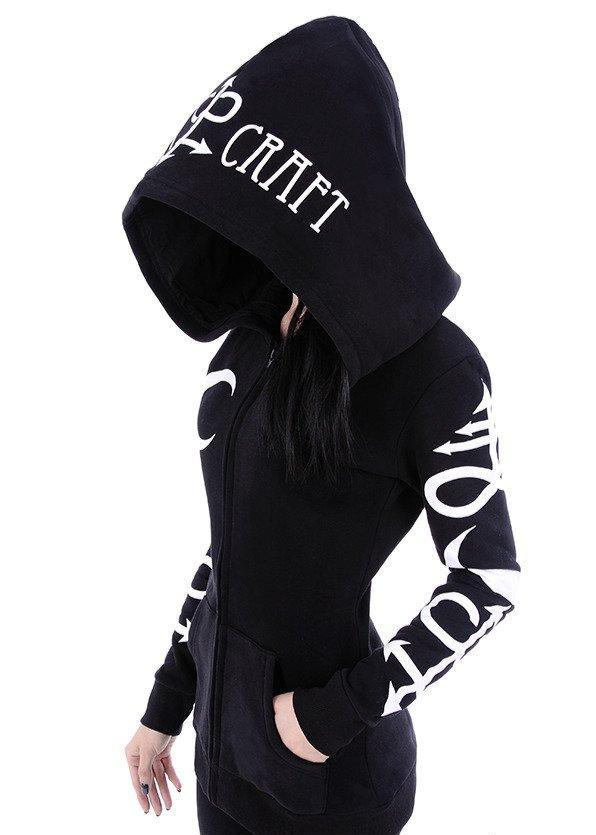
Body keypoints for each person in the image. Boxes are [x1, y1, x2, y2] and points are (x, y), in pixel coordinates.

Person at [122, 17, 519, 835]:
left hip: (330, 783)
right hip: (222, 765)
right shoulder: (249, 338)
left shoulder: (434, 367)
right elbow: (231, 547)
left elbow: (489, 579)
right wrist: (167, 703)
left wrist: (338, 711)